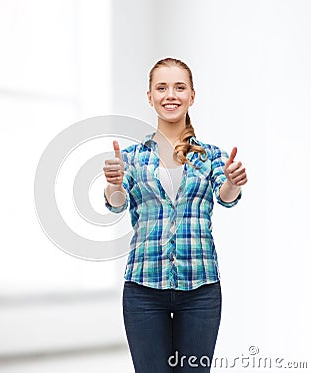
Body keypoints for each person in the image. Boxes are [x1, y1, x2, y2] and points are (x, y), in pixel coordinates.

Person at [103, 57, 247, 373]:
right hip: (143, 291)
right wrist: (113, 184)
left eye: (180, 87)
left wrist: (233, 182)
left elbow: (226, 196)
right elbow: (117, 202)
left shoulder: (211, 156)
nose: (171, 95)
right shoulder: (131, 157)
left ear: (192, 96)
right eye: (162, 87)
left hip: (201, 291)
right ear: (150, 96)